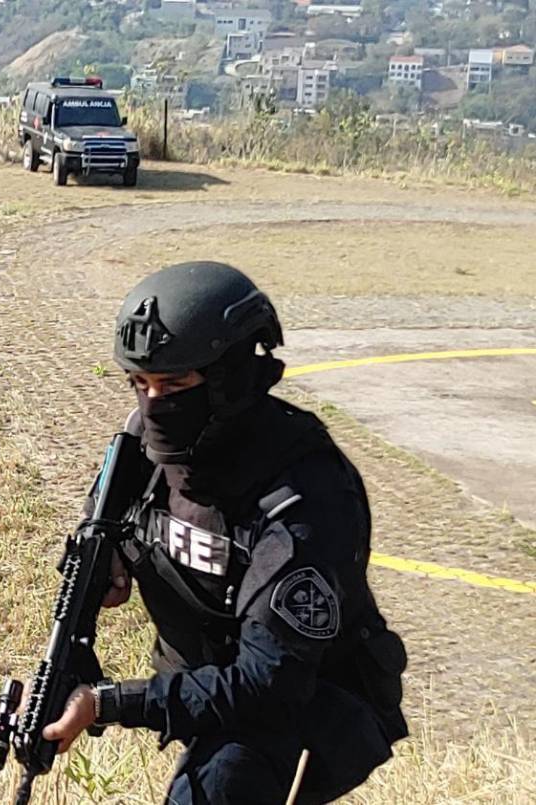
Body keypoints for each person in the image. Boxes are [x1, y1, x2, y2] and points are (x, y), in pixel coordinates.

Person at [40, 262, 408, 804]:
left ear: (229, 379)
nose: (153, 403)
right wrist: (110, 556)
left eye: (175, 384)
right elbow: (101, 518)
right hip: (210, 678)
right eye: (140, 383)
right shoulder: (145, 443)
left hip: (305, 707)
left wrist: (109, 703)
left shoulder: (304, 497)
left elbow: (268, 682)